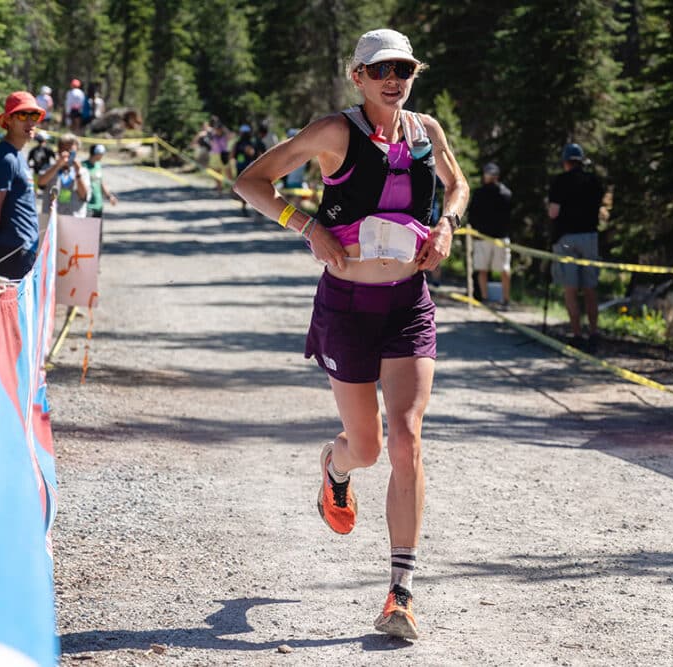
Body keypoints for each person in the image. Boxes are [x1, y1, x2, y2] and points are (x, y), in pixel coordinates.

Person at [233, 28, 469, 641]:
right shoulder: (333, 132)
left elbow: (458, 185)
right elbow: (250, 182)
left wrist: (446, 226)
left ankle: (400, 593)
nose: (395, 79)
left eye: (404, 69)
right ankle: (334, 467)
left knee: (408, 440)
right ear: (357, 76)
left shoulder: (427, 131)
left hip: (409, 303)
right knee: (366, 449)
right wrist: (306, 226)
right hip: (347, 305)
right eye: (381, 69)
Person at [0, 92, 44, 280]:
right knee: (11, 309)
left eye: (34, 115)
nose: (30, 122)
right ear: (8, 120)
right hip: (11, 253)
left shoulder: (17, 154)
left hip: (24, 250)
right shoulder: (4, 158)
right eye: (23, 115)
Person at [548, 142, 605, 351]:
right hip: (590, 237)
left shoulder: (559, 182)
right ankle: (594, 333)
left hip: (566, 238)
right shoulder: (595, 182)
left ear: (565, 162)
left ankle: (577, 335)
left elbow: (553, 213)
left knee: (570, 289)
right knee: (590, 288)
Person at [468, 162, 512, 308]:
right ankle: (501, 299)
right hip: (496, 237)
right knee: (497, 268)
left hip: (487, 237)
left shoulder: (481, 193)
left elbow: (472, 215)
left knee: (486, 269)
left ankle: (492, 299)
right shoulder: (505, 193)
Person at [37, 133, 90, 218]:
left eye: (71, 151)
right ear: (59, 150)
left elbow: (84, 196)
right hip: (51, 220)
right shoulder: (49, 168)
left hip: (74, 220)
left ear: (77, 151)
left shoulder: (83, 171)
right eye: (64, 150)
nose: (67, 154)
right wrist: (57, 165)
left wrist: (78, 173)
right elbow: (40, 183)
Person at [84, 144, 118, 219]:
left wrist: (109, 197)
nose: (102, 156)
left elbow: (101, 183)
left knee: (98, 230)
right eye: (101, 154)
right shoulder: (83, 166)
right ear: (96, 153)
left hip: (98, 206)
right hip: (88, 206)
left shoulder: (98, 165)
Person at [233, 124, 260, 214]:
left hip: (244, 169)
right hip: (248, 169)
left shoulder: (240, 143)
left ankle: (246, 207)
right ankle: (252, 208)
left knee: (245, 190)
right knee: (250, 190)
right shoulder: (251, 143)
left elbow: (233, 155)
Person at [207, 117, 231, 194]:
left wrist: (221, 124)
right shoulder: (212, 135)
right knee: (217, 172)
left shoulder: (225, 136)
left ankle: (232, 188)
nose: (218, 130)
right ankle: (219, 188)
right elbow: (208, 129)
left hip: (224, 155)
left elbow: (230, 134)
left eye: (219, 129)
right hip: (215, 155)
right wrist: (215, 122)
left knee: (227, 172)